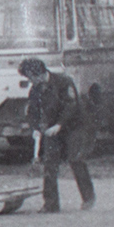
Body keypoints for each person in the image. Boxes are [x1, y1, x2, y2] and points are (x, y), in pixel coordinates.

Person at [19, 57, 95, 212]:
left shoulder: (63, 82)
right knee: (50, 163)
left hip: (73, 126)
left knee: (75, 159)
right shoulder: (35, 89)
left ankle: (88, 197)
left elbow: (71, 105)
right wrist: (35, 128)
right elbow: (32, 112)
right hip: (52, 129)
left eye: (31, 77)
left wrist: (59, 125)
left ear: (40, 73)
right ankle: (51, 204)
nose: (30, 81)